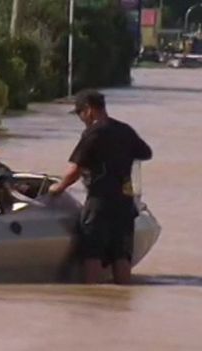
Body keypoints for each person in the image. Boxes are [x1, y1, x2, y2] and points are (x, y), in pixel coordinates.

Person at [49, 90, 152, 285]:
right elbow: (145, 153)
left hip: (99, 202)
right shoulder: (125, 130)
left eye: (80, 113)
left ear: (89, 110)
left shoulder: (93, 133)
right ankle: (122, 299)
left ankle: (92, 301)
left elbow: (75, 170)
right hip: (124, 202)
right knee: (121, 255)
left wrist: (58, 188)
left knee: (92, 254)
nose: (81, 118)